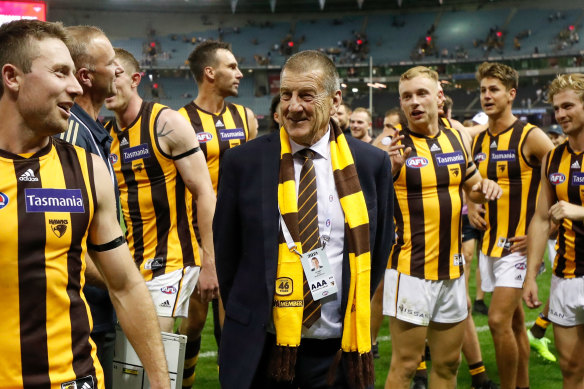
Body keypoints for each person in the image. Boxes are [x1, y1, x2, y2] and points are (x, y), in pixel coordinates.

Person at [0, 19, 169, 389]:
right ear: (12, 77)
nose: (76, 88)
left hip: (75, 380)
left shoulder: (87, 170)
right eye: (60, 73)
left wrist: (160, 381)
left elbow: (125, 285)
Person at [214, 50, 394, 389]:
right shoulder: (243, 163)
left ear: (334, 98)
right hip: (263, 345)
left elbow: (380, 247)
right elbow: (227, 254)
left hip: (337, 350)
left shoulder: (371, 165)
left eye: (306, 95)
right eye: (286, 95)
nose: (293, 106)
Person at [382, 66, 501, 389]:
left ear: (439, 96)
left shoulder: (456, 136)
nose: (414, 102)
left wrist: (484, 189)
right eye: (407, 96)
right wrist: (387, 169)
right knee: (406, 365)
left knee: (449, 364)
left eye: (421, 94)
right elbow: (370, 199)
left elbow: (472, 185)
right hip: (409, 272)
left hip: (452, 273)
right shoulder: (391, 144)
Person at [104, 48, 216, 337]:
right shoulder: (105, 133)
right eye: (104, 75)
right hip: (129, 263)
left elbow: (204, 192)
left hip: (172, 260)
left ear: (135, 79)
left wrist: (210, 263)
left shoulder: (165, 123)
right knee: (129, 365)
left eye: (117, 75)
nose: (109, 83)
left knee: (154, 354)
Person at [468, 62, 554, 389]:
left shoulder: (532, 137)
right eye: (483, 90)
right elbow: (472, 183)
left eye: (494, 90)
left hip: (519, 247)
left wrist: (549, 231)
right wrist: (474, 202)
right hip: (490, 243)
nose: (487, 96)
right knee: (516, 325)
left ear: (511, 94)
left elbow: (561, 183)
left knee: (497, 320)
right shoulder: (478, 140)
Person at [177, 39, 257, 388]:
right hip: (195, 237)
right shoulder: (179, 121)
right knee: (193, 323)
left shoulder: (246, 117)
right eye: (232, 67)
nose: (240, 73)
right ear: (210, 72)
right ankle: (184, 382)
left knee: (233, 323)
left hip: (239, 238)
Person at [55, 25, 124, 389]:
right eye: (111, 63)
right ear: (86, 76)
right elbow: (66, 239)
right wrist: (121, 283)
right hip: (86, 312)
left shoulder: (92, 130)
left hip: (100, 303)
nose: (119, 70)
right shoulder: (70, 137)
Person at [524, 72, 584, 389]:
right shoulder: (552, 158)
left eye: (568, 106)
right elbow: (539, 219)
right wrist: (531, 276)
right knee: (571, 372)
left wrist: (580, 211)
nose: (560, 115)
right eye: (557, 108)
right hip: (565, 279)